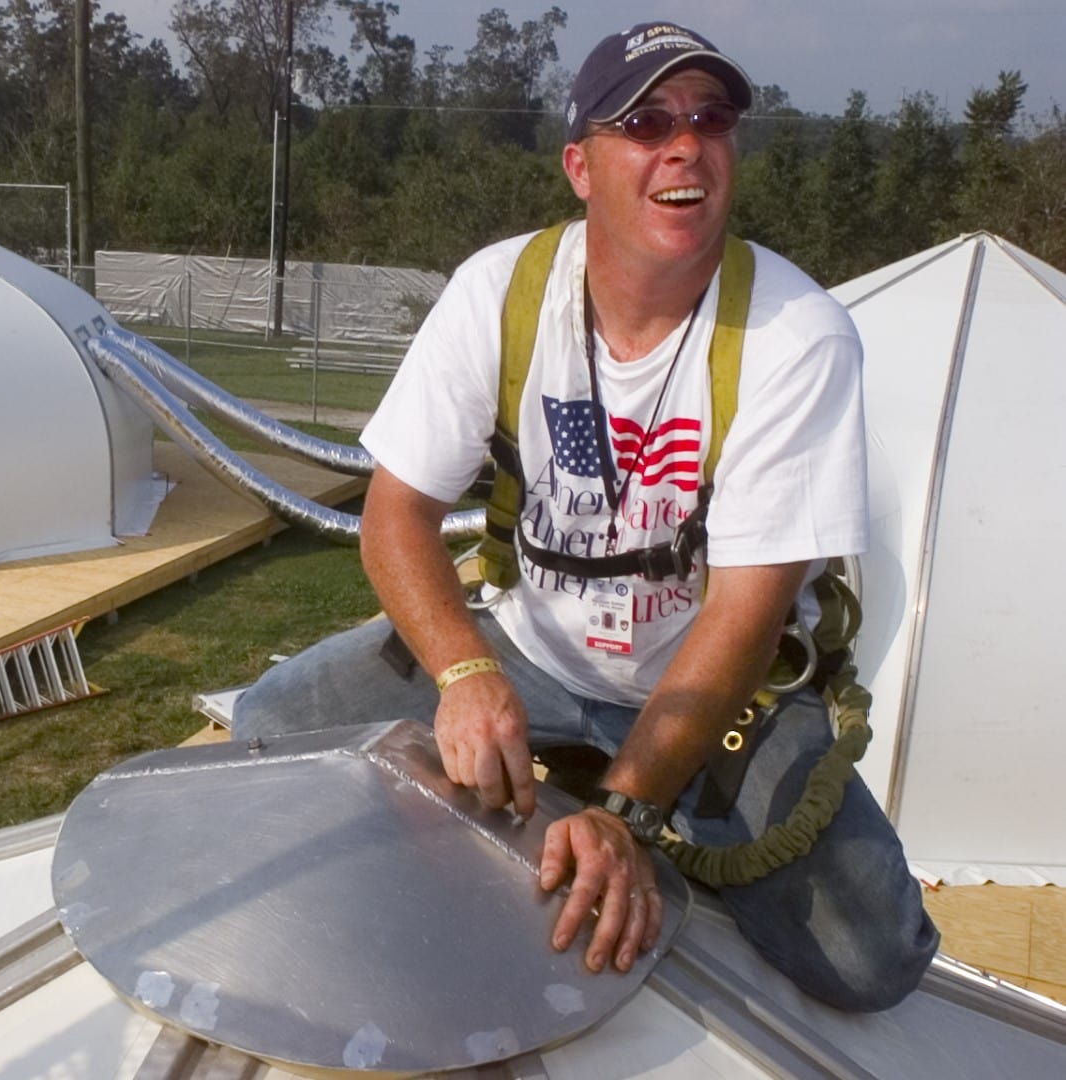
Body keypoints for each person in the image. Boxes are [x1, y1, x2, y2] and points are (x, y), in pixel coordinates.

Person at [233, 21, 938, 1012]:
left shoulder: (797, 335)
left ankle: (597, 799)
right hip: (531, 647)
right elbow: (397, 512)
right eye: (645, 121)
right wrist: (469, 673)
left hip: (722, 694)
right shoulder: (502, 290)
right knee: (269, 727)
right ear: (580, 165)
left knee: (875, 961)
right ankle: (548, 764)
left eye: (711, 118)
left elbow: (747, 612)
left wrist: (629, 815)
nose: (685, 145)